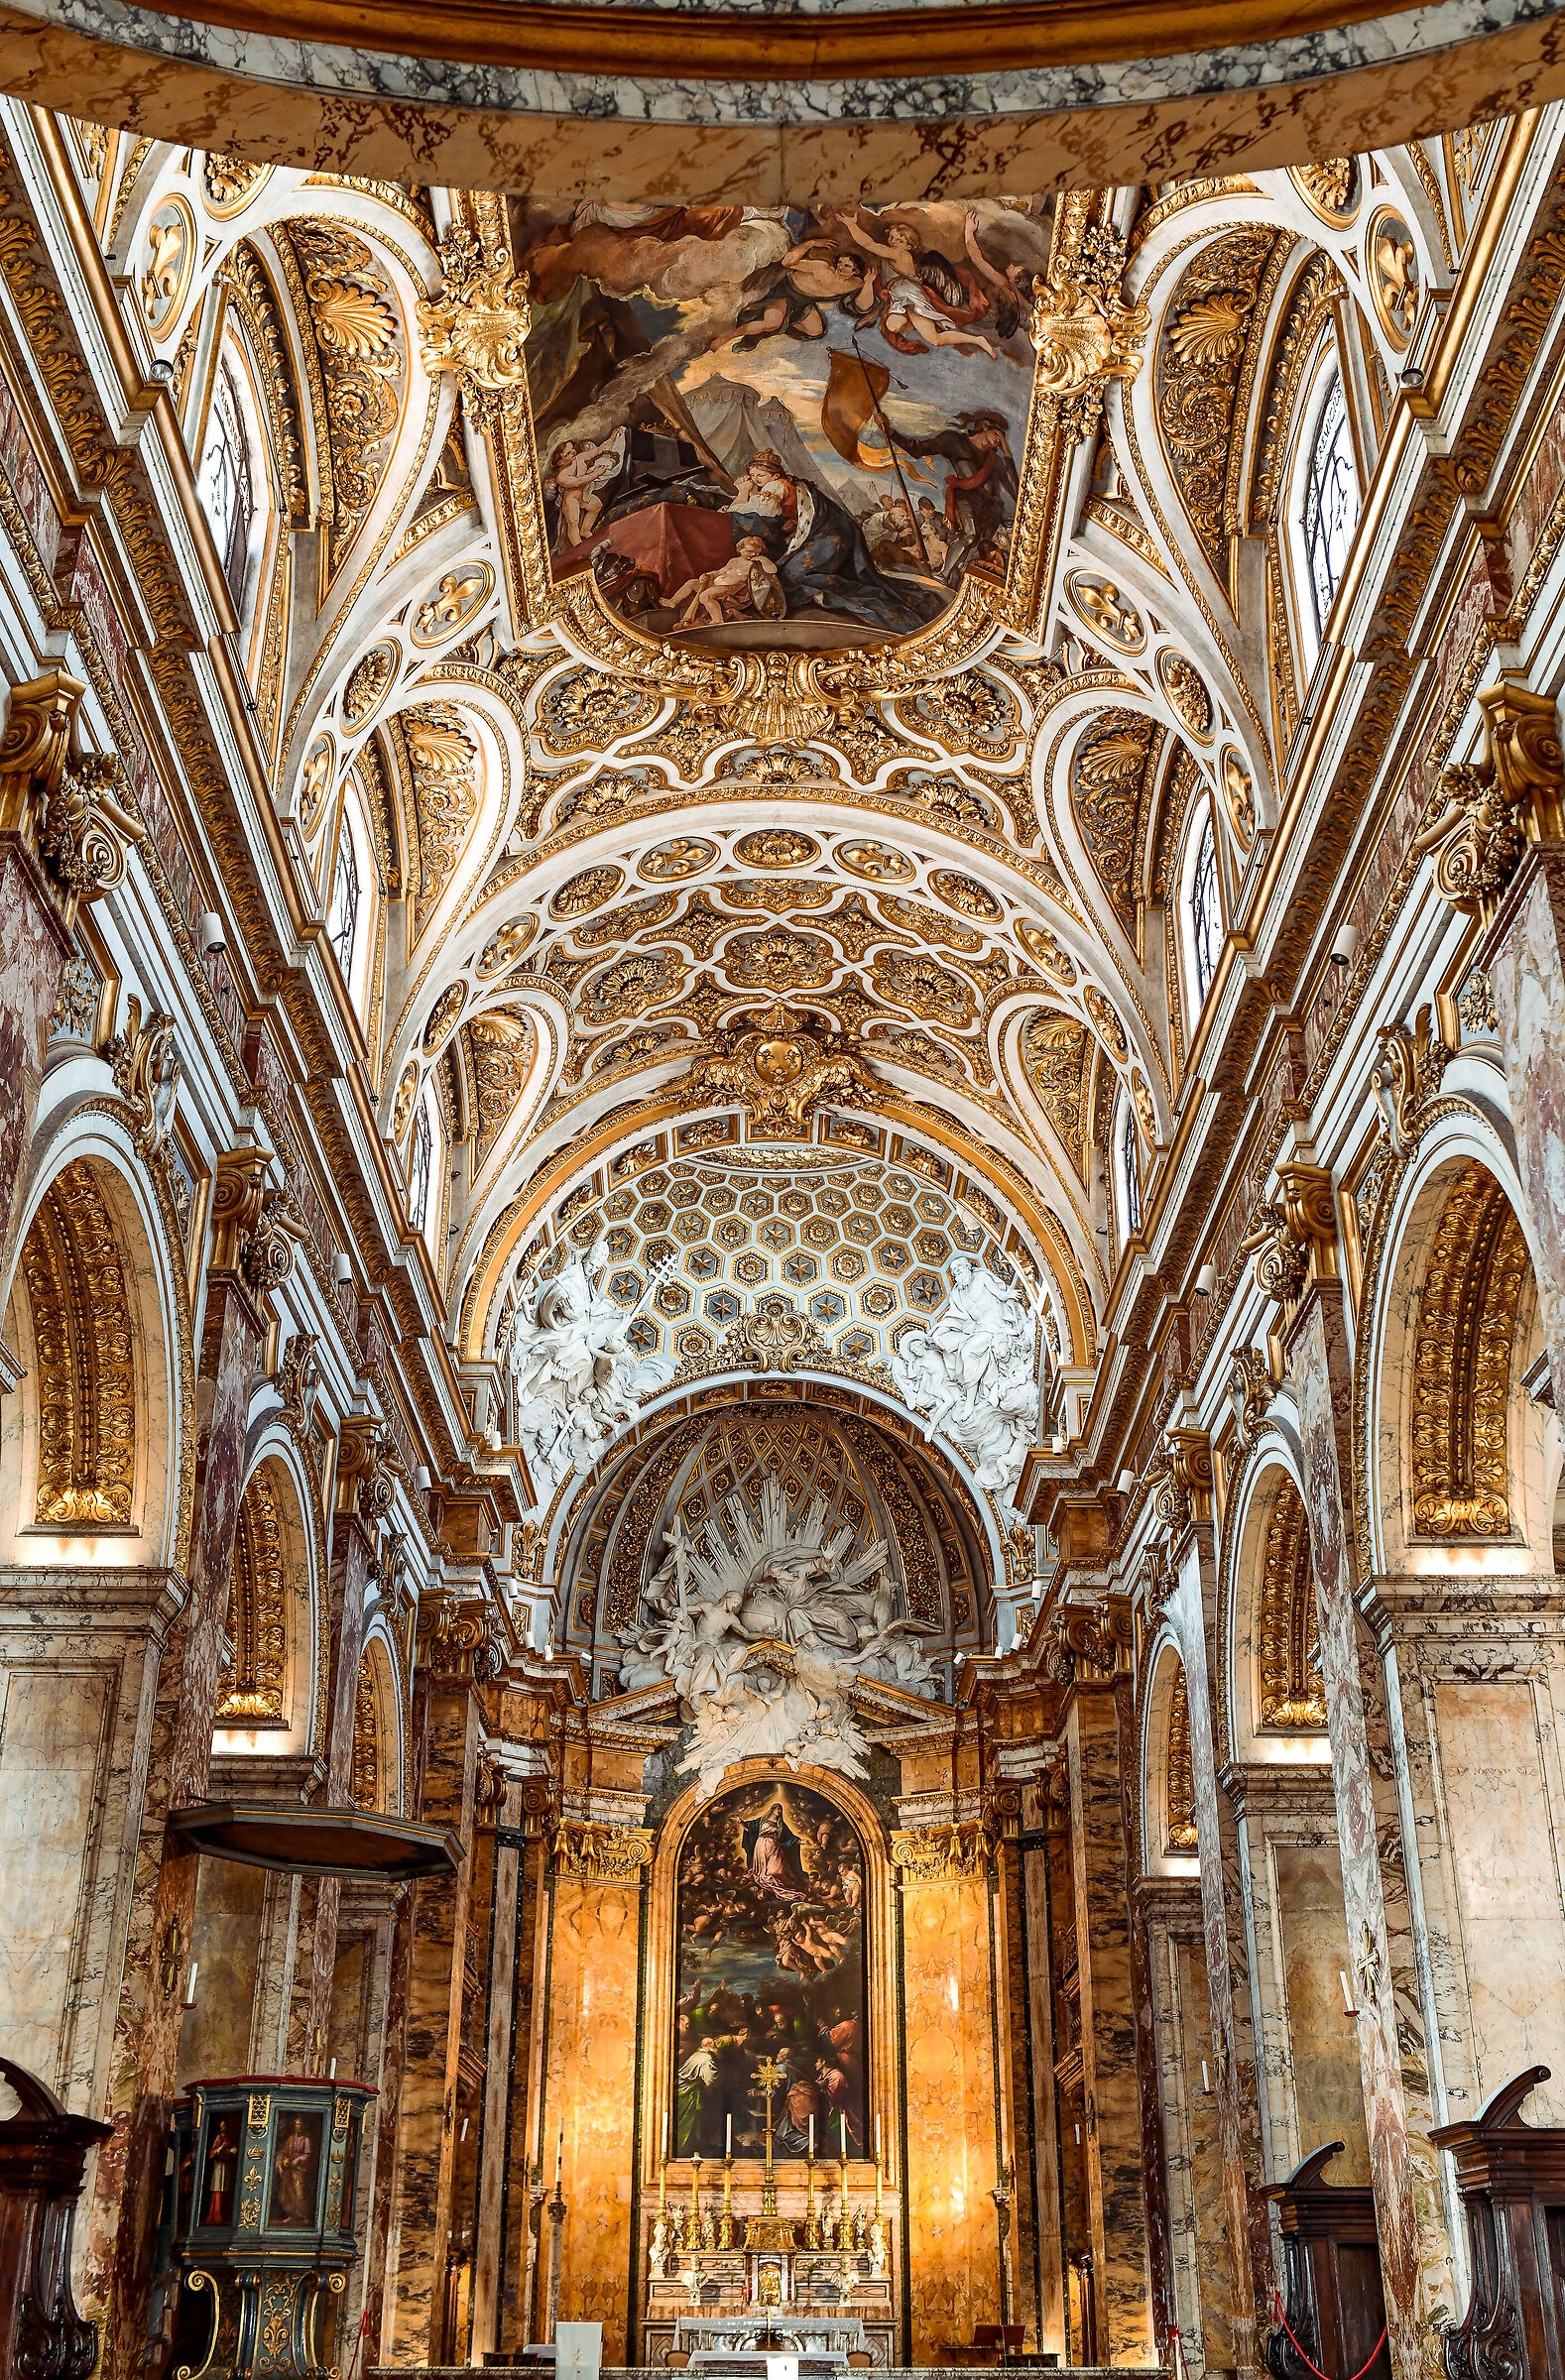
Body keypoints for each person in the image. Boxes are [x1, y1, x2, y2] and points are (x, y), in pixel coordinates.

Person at [668, 535, 783, 629]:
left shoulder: (755, 564)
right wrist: (708, 575)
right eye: (749, 551)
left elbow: (772, 570)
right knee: (691, 583)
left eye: (757, 552)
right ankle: (673, 601)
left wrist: (763, 559)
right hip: (716, 583)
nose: (753, 554)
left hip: (730, 589)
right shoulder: (733, 561)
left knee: (704, 596)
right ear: (740, 549)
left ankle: (718, 619)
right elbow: (719, 572)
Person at [273, 2115, 314, 2225]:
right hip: (289, 2169)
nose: (298, 2126)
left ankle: (303, 2215)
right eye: (296, 2124)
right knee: (288, 2192)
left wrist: (298, 2159)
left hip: (300, 2169)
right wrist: (284, 2160)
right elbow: (284, 2152)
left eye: (300, 2124)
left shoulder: (306, 2140)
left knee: (300, 2192)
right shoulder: (291, 2138)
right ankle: (291, 2215)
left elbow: (307, 2154)